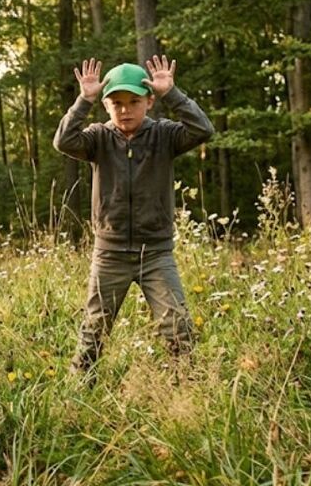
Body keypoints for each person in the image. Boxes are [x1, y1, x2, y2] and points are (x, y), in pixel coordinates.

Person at [53, 55, 215, 378]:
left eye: (134, 102)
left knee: (177, 327)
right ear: (106, 106)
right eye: (116, 103)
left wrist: (173, 94)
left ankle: (191, 394)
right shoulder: (98, 138)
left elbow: (203, 129)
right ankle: (77, 394)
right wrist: (83, 101)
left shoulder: (165, 136)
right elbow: (64, 141)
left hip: (155, 253)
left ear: (149, 102)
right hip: (110, 253)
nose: (125, 110)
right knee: (93, 332)